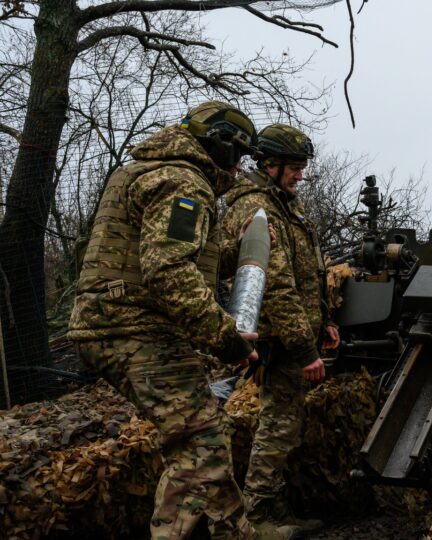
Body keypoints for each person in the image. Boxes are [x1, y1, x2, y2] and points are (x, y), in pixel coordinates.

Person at [68, 101, 261, 539]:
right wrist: (227, 337)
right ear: (222, 146)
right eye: (238, 154)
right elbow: (167, 271)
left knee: (199, 441)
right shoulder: (182, 182)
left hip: (114, 325)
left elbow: (167, 259)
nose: (238, 167)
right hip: (135, 330)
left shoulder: (147, 170)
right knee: (201, 449)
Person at [220, 124, 338, 534]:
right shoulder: (256, 207)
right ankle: (259, 516)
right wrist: (306, 352)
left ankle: (275, 510)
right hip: (282, 340)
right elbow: (275, 286)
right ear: (270, 165)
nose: (300, 175)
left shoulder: (285, 204)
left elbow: (309, 275)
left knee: (284, 426)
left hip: (296, 334)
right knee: (278, 427)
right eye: (295, 167)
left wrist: (324, 324)